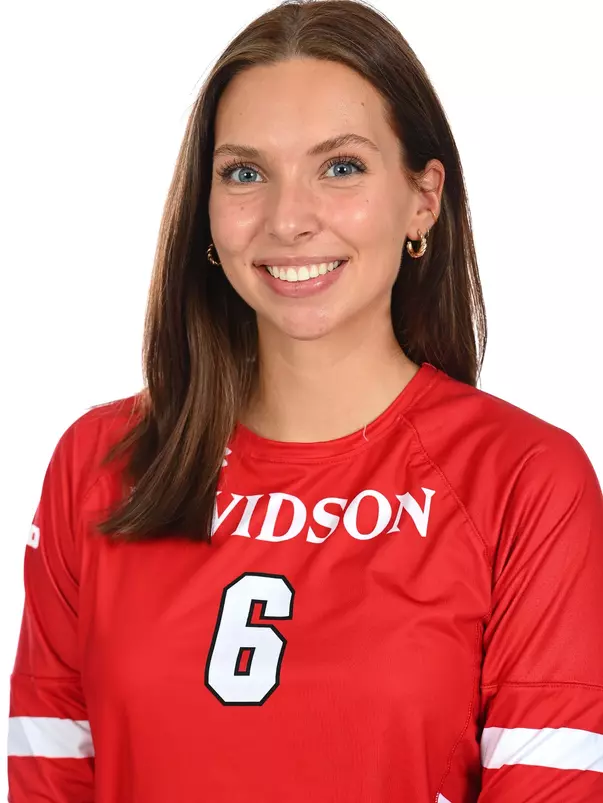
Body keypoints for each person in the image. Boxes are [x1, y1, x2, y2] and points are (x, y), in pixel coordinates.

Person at [7, 0, 603, 800]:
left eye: (341, 166)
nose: (288, 220)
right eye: (245, 173)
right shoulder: (103, 463)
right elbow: (50, 773)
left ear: (423, 197)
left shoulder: (525, 480)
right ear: (207, 211)